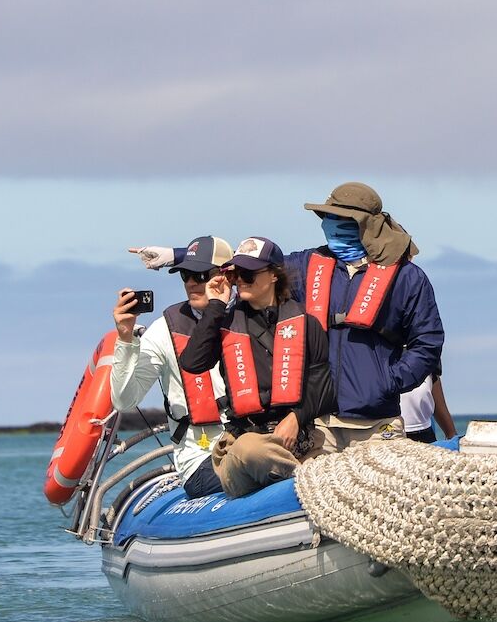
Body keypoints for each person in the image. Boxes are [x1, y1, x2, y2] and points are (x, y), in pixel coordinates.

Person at [133, 182, 444, 453]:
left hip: (379, 422)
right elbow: (254, 262)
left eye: (341, 219)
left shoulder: (407, 278)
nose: (331, 224)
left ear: (367, 225)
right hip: (317, 424)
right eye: (327, 217)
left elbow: (428, 341)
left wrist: (390, 381)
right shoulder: (308, 266)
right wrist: (177, 256)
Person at [177, 236, 337, 497]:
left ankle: (307, 481)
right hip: (245, 442)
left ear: (274, 275)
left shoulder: (306, 324)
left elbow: (323, 387)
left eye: (248, 274)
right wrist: (216, 306)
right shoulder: (226, 323)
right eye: (236, 273)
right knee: (251, 450)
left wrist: (296, 418)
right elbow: (193, 363)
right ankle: (306, 484)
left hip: (299, 440)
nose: (240, 280)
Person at [110, 235, 235, 498]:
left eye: (201, 275)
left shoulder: (253, 316)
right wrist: (125, 339)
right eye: (185, 275)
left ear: (228, 276)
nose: (191, 283)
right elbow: (124, 400)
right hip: (203, 457)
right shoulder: (165, 330)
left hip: (253, 442)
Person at [400, 369, 457, 444]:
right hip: (388, 433)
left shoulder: (428, 365)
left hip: (424, 433)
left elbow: (439, 406)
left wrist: (453, 438)